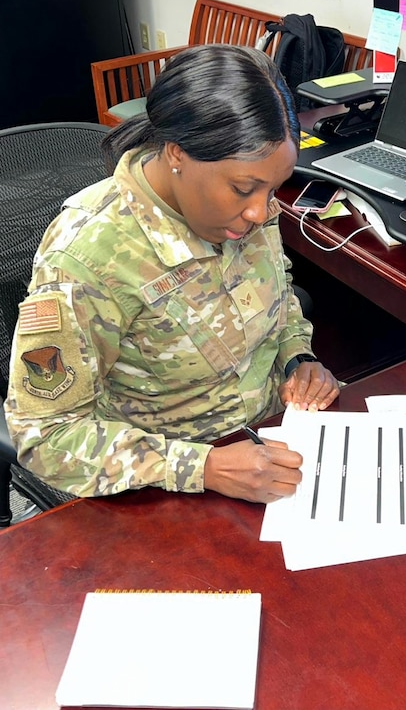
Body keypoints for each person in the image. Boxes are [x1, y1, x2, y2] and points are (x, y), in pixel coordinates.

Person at [4, 44, 339, 504]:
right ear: (178, 153)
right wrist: (205, 467)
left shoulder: (245, 206)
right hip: (163, 488)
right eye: (245, 188)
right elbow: (44, 439)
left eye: (272, 188)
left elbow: (277, 296)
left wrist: (297, 359)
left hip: (275, 444)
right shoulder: (86, 259)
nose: (261, 211)